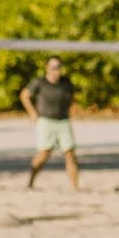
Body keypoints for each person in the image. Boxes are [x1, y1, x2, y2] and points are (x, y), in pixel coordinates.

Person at [21, 56, 80, 189]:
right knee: (44, 153)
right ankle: (31, 181)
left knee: (70, 153)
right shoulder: (40, 83)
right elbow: (24, 95)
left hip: (63, 121)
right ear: (47, 68)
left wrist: (73, 108)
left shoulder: (66, 83)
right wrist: (32, 113)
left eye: (58, 67)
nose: (56, 71)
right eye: (53, 67)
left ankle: (76, 187)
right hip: (46, 121)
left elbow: (72, 98)